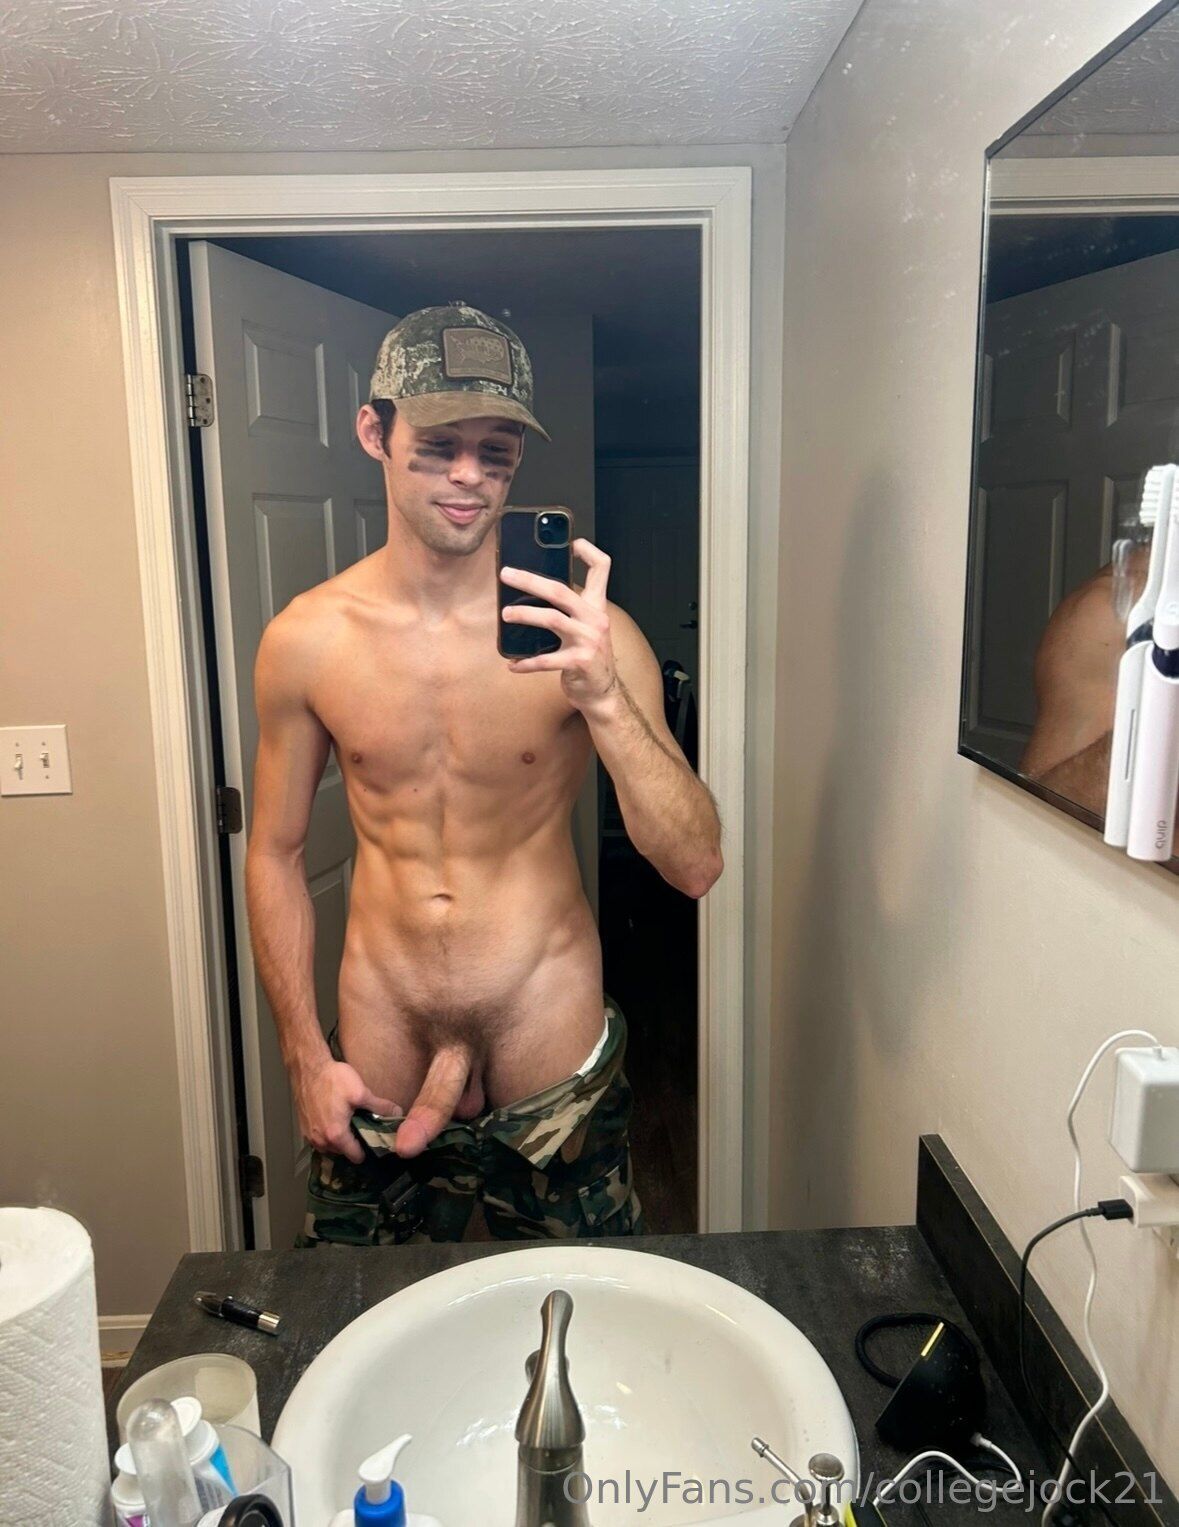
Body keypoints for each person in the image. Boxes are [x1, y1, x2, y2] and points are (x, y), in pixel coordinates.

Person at [244, 302, 723, 1245]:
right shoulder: (307, 640)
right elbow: (275, 852)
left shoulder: (587, 635)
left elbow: (694, 864)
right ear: (374, 432)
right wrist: (302, 1053)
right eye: (438, 445)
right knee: (364, 1314)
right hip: (380, 1043)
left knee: (576, 1311)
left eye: (495, 452)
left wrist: (604, 698)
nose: (469, 475)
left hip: (547, 1037)